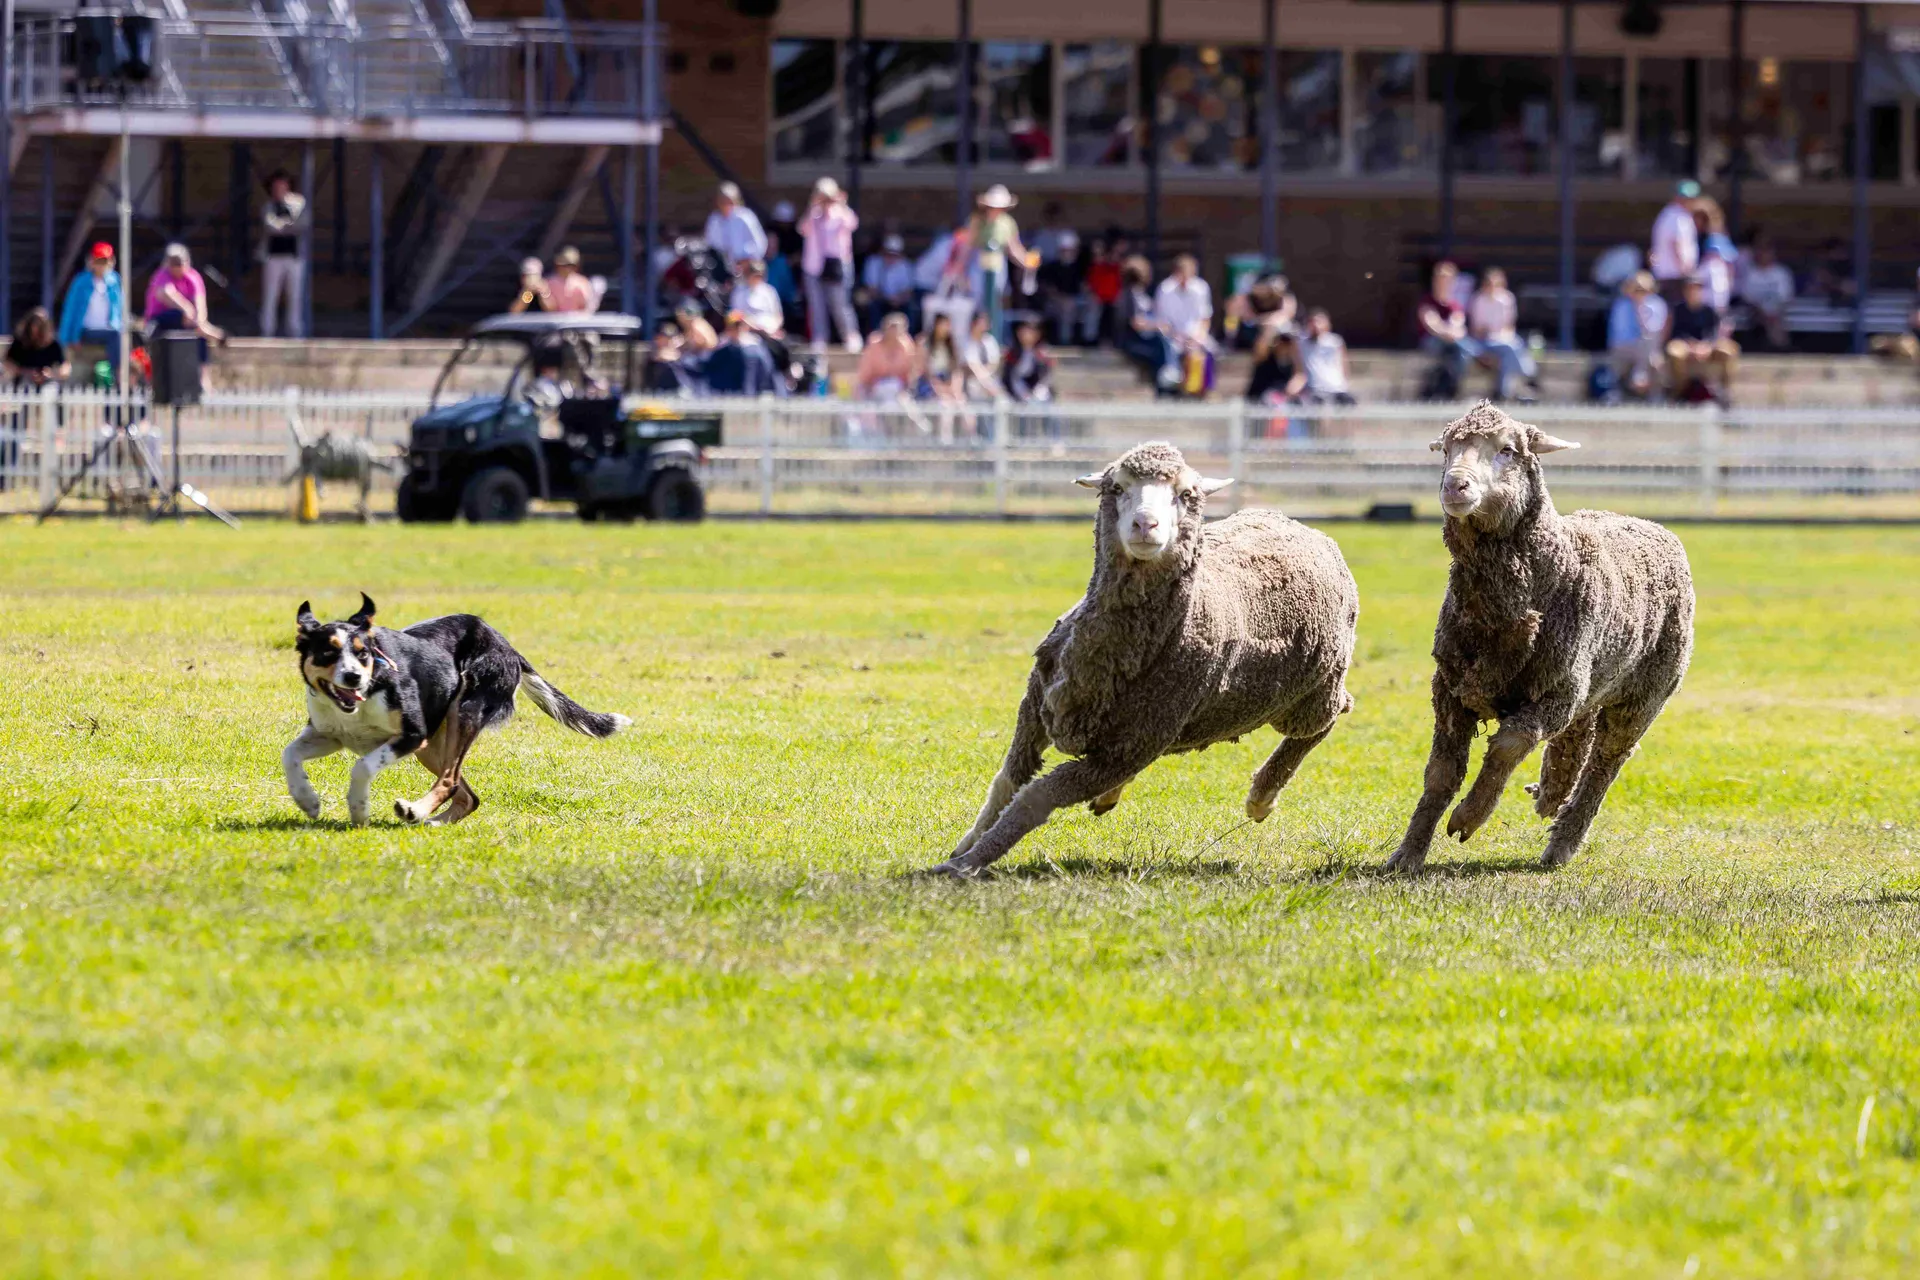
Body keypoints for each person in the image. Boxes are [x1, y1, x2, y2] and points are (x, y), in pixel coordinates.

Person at [963, 184, 1032, 343]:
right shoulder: (976, 221)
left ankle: (995, 339)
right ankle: (974, 339)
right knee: (977, 302)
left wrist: (1027, 261)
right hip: (977, 265)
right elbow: (967, 247)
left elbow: (1014, 248)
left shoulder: (1008, 223)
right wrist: (962, 271)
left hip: (998, 266)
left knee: (996, 302)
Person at [800, 177, 862, 352]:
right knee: (817, 305)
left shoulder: (841, 213)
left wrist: (840, 204)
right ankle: (819, 338)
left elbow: (852, 223)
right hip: (814, 267)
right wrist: (813, 206)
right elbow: (803, 229)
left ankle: (850, 336)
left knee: (840, 304)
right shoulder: (814, 214)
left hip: (837, 267)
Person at [1466, 266, 1538, 402]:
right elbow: (1477, 330)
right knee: (1512, 348)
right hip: (1483, 342)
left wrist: (1503, 336)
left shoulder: (1507, 299)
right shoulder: (1478, 300)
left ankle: (1503, 391)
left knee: (1512, 347)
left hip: (1503, 340)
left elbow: (1509, 326)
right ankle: (1529, 377)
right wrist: (1493, 333)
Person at [1665, 274, 1738, 403]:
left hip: (1706, 347)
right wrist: (1691, 346)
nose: (1694, 292)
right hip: (1685, 345)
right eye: (1690, 288)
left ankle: (1725, 391)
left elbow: (1714, 333)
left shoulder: (1709, 310)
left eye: (1697, 288)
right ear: (1685, 291)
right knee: (1674, 351)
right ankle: (1678, 390)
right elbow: (1675, 333)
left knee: (1728, 350)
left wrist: (1706, 346)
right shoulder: (1677, 310)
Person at [58, 241, 124, 377]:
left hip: (109, 329)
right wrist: (68, 338)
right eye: (98, 261)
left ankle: (118, 376)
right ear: (92, 261)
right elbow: (70, 310)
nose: (101, 265)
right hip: (85, 330)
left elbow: (119, 308)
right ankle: (117, 376)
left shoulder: (114, 281)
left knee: (119, 336)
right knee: (115, 336)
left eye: (104, 261)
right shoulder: (81, 281)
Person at [1114, 255, 1179, 390]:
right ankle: (1165, 384)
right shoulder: (1129, 295)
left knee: (1165, 341)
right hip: (1131, 341)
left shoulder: (1139, 293)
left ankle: (1170, 376)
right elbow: (1136, 323)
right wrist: (1158, 325)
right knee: (1160, 344)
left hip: (1143, 337)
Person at [145, 243, 225, 352]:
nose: (177, 267)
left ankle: (203, 367)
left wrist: (201, 322)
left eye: (180, 263)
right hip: (159, 320)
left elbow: (200, 303)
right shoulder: (162, 275)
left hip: (189, 321)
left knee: (199, 335)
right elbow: (167, 294)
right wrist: (187, 308)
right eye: (174, 263)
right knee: (182, 315)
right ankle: (212, 333)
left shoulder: (193, 277)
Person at [259, 169, 308, 338]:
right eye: (276, 186)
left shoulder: (299, 203)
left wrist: (284, 225)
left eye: (282, 185)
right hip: (273, 257)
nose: (279, 188)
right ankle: (267, 331)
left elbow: (302, 224)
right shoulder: (268, 206)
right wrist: (287, 226)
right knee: (270, 296)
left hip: (294, 258)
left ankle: (295, 332)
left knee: (294, 297)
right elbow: (270, 225)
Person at [1606, 270, 1667, 398]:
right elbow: (1618, 336)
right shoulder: (1621, 305)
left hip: (1649, 348)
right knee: (1644, 348)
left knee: (1650, 348)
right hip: (1625, 348)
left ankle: (1643, 380)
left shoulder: (1657, 305)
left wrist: (1641, 312)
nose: (1639, 293)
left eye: (1643, 290)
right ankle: (1637, 376)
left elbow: (1654, 331)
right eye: (1636, 289)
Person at [1037, 230, 1097, 346]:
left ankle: (1089, 339)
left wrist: (1090, 295)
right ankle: (1065, 340)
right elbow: (1048, 289)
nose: (1068, 253)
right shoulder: (1051, 267)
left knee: (1093, 304)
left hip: (1076, 300)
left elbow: (1084, 286)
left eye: (1071, 250)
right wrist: (1061, 298)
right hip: (1055, 302)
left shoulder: (1080, 266)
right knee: (1067, 306)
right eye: (1065, 250)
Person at [702, 312, 783, 396]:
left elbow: (767, 373)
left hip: (751, 396)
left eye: (740, 326)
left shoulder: (756, 349)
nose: (738, 329)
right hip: (728, 397)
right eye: (734, 327)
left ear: (746, 327)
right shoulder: (720, 351)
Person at [1649, 180, 1701, 303]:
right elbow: (1676, 243)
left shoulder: (1668, 213)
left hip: (1668, 275)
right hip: (1676, 276)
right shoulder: (1678, 216)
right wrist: (1686, 272)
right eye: (1685, 198)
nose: (1689, 201)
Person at [1740, 240, 1796, 352]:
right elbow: (1748, 297)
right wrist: (1762, 312)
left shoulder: (1781, 272)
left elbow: (1786, 296)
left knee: (1776, 321)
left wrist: (1774, 312)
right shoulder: (1751, 273)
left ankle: (1778, 349)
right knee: (1766, 320)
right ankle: (1779, 348)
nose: (1764, 256)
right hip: (1756, 312)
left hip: (1778, 312)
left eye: (1767, 252)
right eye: (1762, 253)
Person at [857, 233, 917, 336]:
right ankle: (875, 337)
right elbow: (871, 288)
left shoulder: (905, 265)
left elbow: (908, 291)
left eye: (894, 254)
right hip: (879, 298)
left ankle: (907, 338)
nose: (891, 257)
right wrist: (886, 298)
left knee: (912, 307)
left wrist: (898, 299)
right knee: (871, 305)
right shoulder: (873, 262)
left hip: (899, 301)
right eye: (888, 253)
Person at [702, 182, 767, 275]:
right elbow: (710, 243)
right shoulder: (714, 219)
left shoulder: (745, 216)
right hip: (723, 269)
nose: (726, 203)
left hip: (747, 268)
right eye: (723, 200)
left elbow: (760, 242)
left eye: (729, 200)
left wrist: (748, 261)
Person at [854, 312, 919, 401]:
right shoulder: (874, 345)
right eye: (891, 328)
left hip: (900, 391)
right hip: (874, 389)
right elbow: (864, 375)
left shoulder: (907, 346)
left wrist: (906, 390)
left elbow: (911, 374)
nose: (894, 331)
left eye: (898, 328)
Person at [1297, 308, 1355, 406]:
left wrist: (1345, 383)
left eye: (1319, 322)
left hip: (1337, 387)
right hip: (1315, 389)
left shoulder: (1335, 341)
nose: (1316, 325)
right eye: (1312, 322)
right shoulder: (1301, 342)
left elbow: (1344, 363)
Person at [5, 307, 69, 388]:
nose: (36, 330)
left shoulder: (53, 344)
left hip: (46, 382)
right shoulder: (19, 342)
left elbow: (64, 366)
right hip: (23, 381)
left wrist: (51, 374)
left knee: (51, 389)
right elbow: (8, 362)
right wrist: (24, 372)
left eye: (40, 326)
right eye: (34, 325)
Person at [1000, 316, 1053, 404]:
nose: (1028, 335)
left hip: (1034, 387)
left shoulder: (1041, 352)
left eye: (1032, 332)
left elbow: (1044, 375)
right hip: (1015, 387)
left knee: (1043, 396)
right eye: (1024, 331)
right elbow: (1008, 377)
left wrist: (1033, 391)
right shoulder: (1013, 352)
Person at [729, 259, 785, 339]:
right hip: (748, 332)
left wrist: (772, 329)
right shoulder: (739, 291)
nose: (758, 279)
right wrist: (754, 327)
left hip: (770, 332)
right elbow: (735, 315)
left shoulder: (769, 291)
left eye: (760, 276)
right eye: (755, 276)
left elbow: (778, 316)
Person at [1245, 327, 1302, 405]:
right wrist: (1272, 330)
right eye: (1281, 340)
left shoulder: (1292, 359)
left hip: (1282, 399)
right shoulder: (1265, 356)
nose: (1284, 344)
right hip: (1259, 399)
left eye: (1288, 342)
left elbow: (1299, 375)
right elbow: (1259, 350)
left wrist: (1294, 386)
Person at [915, 312, 964, 404]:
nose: (946, 328)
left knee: (961, 403)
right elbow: (925, 372)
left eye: (948, 325)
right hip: (928, 383)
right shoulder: (924, 342)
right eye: (943, 324)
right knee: (945, 403)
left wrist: (954, 388)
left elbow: (956, 370)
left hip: (947, 381)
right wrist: (940, 389)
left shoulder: (952, 344)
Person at [546, 246, 599, 313]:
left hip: (577, 321)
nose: (568, 268)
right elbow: (548, 308)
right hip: (554, 321)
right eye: (565, 265)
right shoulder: (548, 282)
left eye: (571, 265)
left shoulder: (582, 282)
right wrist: (532, 290)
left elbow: (586, 308)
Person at [963, 311, 1002, 400]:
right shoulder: (966, 342)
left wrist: (988, 380)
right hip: (972, 382)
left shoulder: (990, 340)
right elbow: (973, 366)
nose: (983, 327)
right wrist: (986, 383)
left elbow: (994, 363)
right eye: (981, 324)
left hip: (991, 379)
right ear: (973, 324)